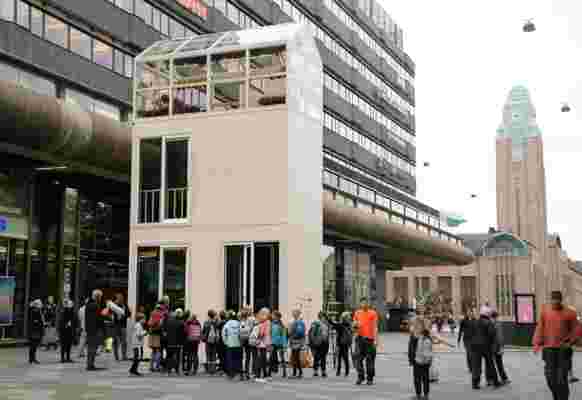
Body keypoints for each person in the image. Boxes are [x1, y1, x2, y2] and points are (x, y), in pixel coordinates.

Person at [533, 291, 580, 400]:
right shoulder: (545, 312)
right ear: (550, 300)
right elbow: (540, 327)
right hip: (549, 350)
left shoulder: (570, 313)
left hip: (563, 350)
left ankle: (562, 398)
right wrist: (536, 343)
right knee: (550, 378)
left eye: (557, 300)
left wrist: (570, 341)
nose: (555, 302)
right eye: (553, 300)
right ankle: (557, 396)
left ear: (560, 300)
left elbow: (577, 329)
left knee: (561, 379)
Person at [469, 310, 500, 389]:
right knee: (490, 364)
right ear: (487, 315)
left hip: (475, 346)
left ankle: (475, 383)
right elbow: (492, 334)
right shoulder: (488, 323)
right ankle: (495, 381)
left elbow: (470, 334)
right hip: (486, 346)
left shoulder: (475, 322)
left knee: (476, 365)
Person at [353, 297, 378, 385]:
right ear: (360, 304)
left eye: (365, 303)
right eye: (362, 303)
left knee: (370, 360)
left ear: (368, 303)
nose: (364, 304)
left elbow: (375, 327)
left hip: (370, 340)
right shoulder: (357, 313)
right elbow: (354, 326)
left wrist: (375, 340)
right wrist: (355, 325)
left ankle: (370, 378)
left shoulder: (373, 313)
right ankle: (360, 376)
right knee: (358, 359)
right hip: (360, 339)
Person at [409, 318, 434, 400]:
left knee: (422, 378)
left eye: (416, 325)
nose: (414, 327)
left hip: (421, 360)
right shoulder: (417, 336)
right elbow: (411, 348)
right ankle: (420, 394)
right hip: (419, 360)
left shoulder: (422, 337)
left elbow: (428, 349)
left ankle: (423, 395)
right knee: (419, 378)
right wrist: (411, 358)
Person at [328, 311, 353, 377]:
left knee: (340, 357)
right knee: (345, 357)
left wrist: (329, 319)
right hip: (346, 343)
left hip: (340, 343)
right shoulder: (349, 324)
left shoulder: (341, 325)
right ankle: (346, 371)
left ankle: (339, 371)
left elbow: (332, 324)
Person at [490, 311, 510, 385]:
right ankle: (504, 378)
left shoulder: (494, 324)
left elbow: (499, 337)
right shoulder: (497, 324)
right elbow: (500, 337)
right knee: (499, 364)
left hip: (494, 347)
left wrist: (501, 347)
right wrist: (501, 347)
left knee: (495, 364)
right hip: (496, 347)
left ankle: (497, 379)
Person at [222, 310, 244, 380]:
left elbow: (223, 334)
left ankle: (231, 374)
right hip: (238, 344)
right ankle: (239, 373)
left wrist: (226, 342)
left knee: (230, 360)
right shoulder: (239, 323)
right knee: (238, 359)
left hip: (230, 344)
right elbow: (242, 333)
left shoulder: (227, 324)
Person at [163, 309, 185, 375]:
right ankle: (177, 370)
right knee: (177, 357)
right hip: (178, 343)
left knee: (169, 356)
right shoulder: (181, 322)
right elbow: (183, 333)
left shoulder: (168, 322)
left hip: (169, 342)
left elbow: (165, 332)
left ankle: (168, 370)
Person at [309, 311, 330, 378]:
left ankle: (323, 371)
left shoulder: (327, 324)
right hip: (318, 343)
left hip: (325, 343)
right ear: (320, 317)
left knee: (323, 357)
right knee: (316, 357)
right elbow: (312, 334)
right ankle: (315, 371)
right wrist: (313, 342)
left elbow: (327, 334)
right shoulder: (316, 324)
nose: (324, 318)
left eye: (325, 317)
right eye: (323, 317)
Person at [254, 307, 272, 383]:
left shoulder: (260, 322)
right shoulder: (265, 322)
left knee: (262, 360)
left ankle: (263, 375)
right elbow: (262, 334)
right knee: (261, 360)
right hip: (263, 343)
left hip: (262, 343)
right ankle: (259, 376)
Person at [288, 309, 307, 379]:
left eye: (294, 313)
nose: (293, 314)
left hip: (296, 342)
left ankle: (298, 372)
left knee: (296, 357)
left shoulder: (298, 322)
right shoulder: (298, 322)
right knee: (294, 357)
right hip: (296, 342)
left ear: (297, 314)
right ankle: (296, 372)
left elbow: (299, 333)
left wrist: (291, 334)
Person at [57, 299, 77, 363]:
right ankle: (62, 358)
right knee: (63, 345)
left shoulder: (71, 311)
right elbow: (61, 321)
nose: (71, 305)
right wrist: (66, 324)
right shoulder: (63, 311)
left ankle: (68, 358)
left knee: (68, 345)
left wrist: (72, 324)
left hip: (69, 331)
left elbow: (74, 319)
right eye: (70, 304)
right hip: (64, 331)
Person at [113, 293, 131, 362]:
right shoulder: (113, 305)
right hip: (116, 325)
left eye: (121, 298)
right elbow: (109, 314)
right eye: (119, 298)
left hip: (123, 325)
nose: (120, 299)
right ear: (117, 299)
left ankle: (124, 356)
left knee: (124, 342)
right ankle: (116, 357)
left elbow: (129, 314)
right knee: (116, 342)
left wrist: (124, 315)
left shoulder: (125, 305)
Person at [270, 310, 288, 378]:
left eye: (273, 315)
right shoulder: (271, 324)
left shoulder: (281, 325)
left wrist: (284, 345)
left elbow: (284, 336)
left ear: (276, 317)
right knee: (272, 358)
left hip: (280, 343)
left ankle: (284, 372)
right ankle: (271, 371)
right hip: (273, 343)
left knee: (282, 358)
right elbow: (270, 333)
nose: (272, 316)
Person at [147, 303, 164, 372]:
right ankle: (157, 366)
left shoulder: (152, 314)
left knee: (153, 351)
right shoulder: (161, 315)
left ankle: (151, 366)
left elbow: (149, 323)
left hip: (151, 334)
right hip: (158, 334)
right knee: (158, 351)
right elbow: (161, 324)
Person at [239, 308, 256, 380]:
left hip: (241, 340)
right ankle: (247, 373)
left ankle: (241, 374)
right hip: (248, 340)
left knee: (241, 357)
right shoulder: (250, 321)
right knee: (248, 357)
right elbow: (253, 329)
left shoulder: (240, 322)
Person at [202, 309, 220, 374]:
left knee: (208, 354)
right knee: (214, 355)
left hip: (207, 340)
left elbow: (203, 331)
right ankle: (213, 369)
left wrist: (203, 338)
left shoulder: (206, 322)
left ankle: (209, 369)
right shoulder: (216, 322)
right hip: (215, 340)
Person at [27, 299, 45, 364]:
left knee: (34, 345)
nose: (41, 305)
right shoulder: (34, 311)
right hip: (34, 331)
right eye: (40, 304)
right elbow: (34, 321)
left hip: (37, 330)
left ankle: (32, 359)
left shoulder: (38, 311)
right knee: (33, 345)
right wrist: (37, 322)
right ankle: (32, 359)